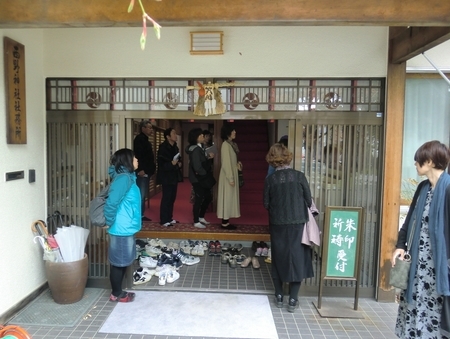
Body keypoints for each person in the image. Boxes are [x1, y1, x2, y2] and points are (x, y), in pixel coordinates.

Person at [392, 140, 450, 338]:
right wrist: (401, 245)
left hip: (438, 268)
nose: (415, 163)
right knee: (413, 306)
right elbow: (410, 221)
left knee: (433, 312)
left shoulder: (448, 189)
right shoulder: (423, 188)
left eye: (419, 160)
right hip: (418, 264)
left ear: (431, 161)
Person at [264, 143, 313, 313]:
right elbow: (308, 199)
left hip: (278, 224)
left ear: (272, 159)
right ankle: (293, 299)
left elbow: (266, 203)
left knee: (279, 257)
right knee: (297, 258)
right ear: (287, 156)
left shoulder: (270, 180)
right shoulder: (299, 176)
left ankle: (278, 295)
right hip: (298, 223)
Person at [104, 148, 141, 302]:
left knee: (122, 260)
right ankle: (117, 294)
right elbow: (112, 202)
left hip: (125, 226)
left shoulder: (128, 177)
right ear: (128, 161)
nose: (137, 160)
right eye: (134, 157)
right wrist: (109, 221)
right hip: (121, 228)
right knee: (119, 262)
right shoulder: (124, 178)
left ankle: (117, 291)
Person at [185, 128, 215, 228]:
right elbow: (197, 166)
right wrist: (205, 173)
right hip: (198, 178)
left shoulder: (199, 147)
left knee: (208, 197)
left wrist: (207, 158)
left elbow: (200, 160)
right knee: (199, 198)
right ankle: (196, 220)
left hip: (200, 177)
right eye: (201, 135)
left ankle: (201, 216)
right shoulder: (195, 149)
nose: (203, 137)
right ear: (197, 138)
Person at [217, 123, 241, 230]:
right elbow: (226, 163)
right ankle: (224, 222)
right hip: (228, 176)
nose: (235, 132)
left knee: (229, 198)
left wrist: (237, 166)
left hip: (231, 173)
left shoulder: (231, 144)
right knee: (227, 197)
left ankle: (226, 221)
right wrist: (230, 178)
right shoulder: (225, 145)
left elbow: (231, 161)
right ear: (228, 132)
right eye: (233, 130)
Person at [156, 127, 182, 227]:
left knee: (172, 198)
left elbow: (178, 160)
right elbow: (161, 165)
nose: (176, 135)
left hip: (174, 175)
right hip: (166, 176)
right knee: (166, 198)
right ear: (168, 137)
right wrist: (172, 163)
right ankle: (164, 219)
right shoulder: (163, 148)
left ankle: (169, 218)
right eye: (174, 133)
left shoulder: (175, 146)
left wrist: (179, 163)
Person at [133, 120, 156, 222]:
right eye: (149, 127)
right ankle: (138, 216)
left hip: (146, 171)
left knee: (143, 195)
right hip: (142, 172)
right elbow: (139, 155)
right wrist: (140, 169)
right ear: (143, 128)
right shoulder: (140, 139)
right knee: (140, 195)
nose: (151, 129)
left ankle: (141, 215)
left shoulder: (146, 139)